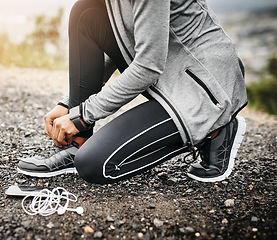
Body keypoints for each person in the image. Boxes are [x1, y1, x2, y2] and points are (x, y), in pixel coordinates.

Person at [17, 0, 247, 184]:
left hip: (205, 89)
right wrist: (70, 105)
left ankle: (216, 129)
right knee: (86, 12)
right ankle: (79, 143)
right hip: (170, 78)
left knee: (94, 165)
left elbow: (147, 67)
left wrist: (82, 115)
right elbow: (120, 48)